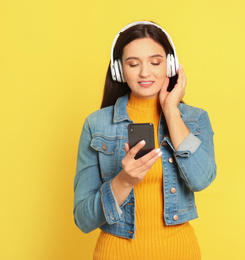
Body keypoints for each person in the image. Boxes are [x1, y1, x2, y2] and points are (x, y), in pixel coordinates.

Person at [73, 21, 217, 259]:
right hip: (115, 253)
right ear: (119, 70)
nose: (145, 72)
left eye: (155, 62)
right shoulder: (96, 124)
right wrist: (125, 180)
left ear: (170, 65)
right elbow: (83, 219)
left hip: (179, 252)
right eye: (133, 64)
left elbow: (201, 180)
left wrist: (171, 111)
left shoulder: (194, 119)